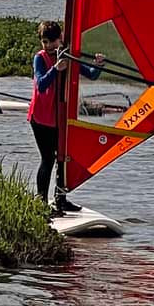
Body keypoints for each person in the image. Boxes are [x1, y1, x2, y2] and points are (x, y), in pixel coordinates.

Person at [28, 20, 105, 213]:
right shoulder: (40, 58)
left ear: (60, 39)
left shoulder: (68, 56)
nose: (49, 46)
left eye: (52, 42)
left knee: (62, 158)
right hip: (41, 118)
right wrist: (56, 69)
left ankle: (61, 199)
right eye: (45, 42)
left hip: (60, 118)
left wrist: (99, 64)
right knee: (48, 159)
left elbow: (92, 75)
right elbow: (42, 86)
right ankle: (41, 202)